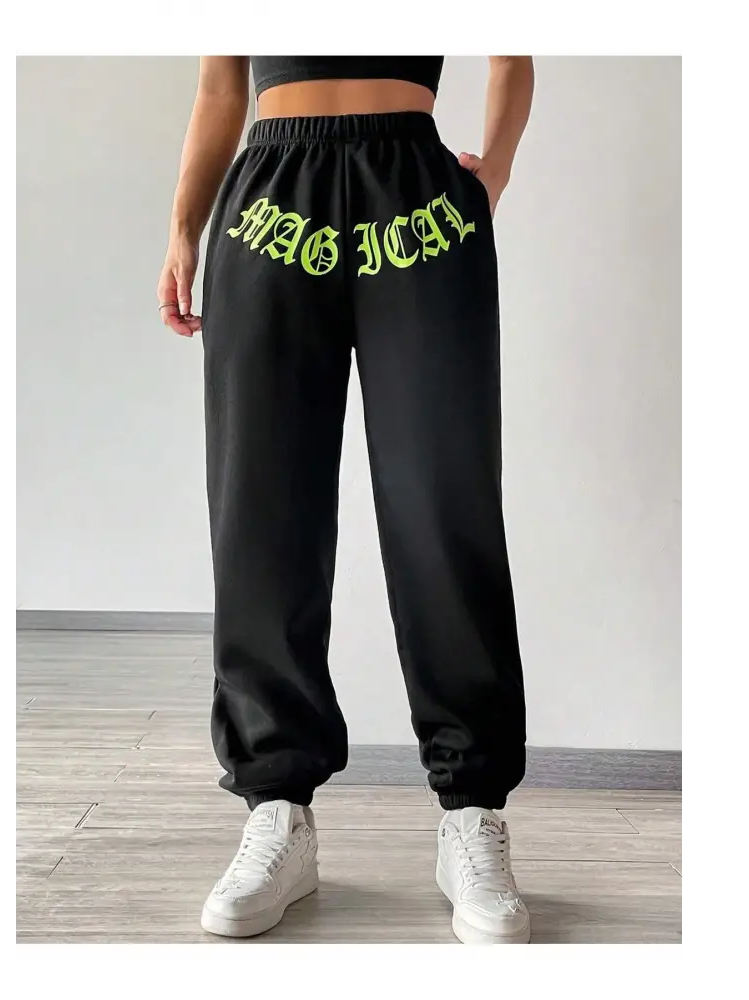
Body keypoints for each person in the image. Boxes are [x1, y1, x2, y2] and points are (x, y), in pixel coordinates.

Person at [158, 55, 534, 945]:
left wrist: (495, 170)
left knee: (445, 503)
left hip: (420, 195)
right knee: (261, 510)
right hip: (267, 198)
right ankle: (277, 808)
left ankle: (472, 811)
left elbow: (514, 51)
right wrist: (182, 228)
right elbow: (220, 87)